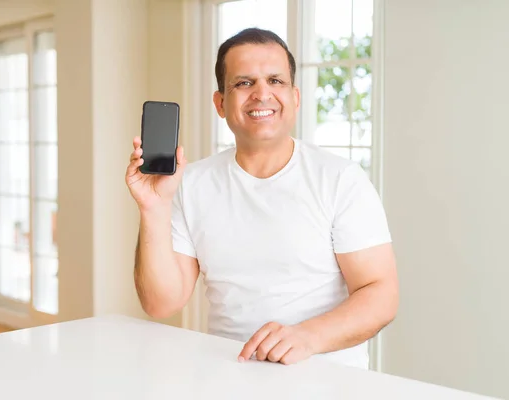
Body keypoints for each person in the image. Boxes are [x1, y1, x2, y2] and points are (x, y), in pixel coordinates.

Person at [125, 28, 398, 369]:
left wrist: (307, 337)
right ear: (221, 103)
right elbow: (160, 304)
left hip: (327, 381)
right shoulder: (190, 183)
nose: (261, 93)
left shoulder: (341, 180)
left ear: (295, 97)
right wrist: (153, 207)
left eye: (275, 81)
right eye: (244, 83)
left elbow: (381, 293)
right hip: (228, 376)